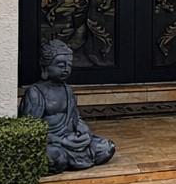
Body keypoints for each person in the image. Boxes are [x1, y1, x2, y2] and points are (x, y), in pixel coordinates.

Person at [19, 39, 116, 171]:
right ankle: (65, 159)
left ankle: (72, 157)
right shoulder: (35, 93)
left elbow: (76, 118)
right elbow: (31, 129)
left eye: (69, 65)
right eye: (60, 65)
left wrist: (83, 130)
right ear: (45, 66)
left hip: (71, 139)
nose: (66, 69)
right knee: (56, 157)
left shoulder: (67, 90)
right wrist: (60, 141)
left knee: (106, 147)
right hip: (53, 142)